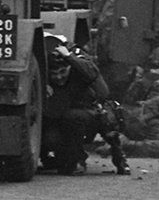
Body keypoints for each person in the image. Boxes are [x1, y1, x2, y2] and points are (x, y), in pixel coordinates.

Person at [42, 33, 130, 175]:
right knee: (51, 138)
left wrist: (69, 58)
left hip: (89, 113)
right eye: (54, 74)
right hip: (61, 117)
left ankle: (118, 158)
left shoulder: (79, 63)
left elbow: (92, 72)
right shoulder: (44, 72)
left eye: (62, 72)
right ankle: (59, 159)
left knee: (77, 117)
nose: (59, 77)